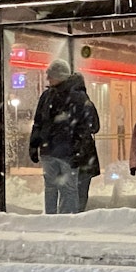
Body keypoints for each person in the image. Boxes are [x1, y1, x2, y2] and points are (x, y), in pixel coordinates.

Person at [29, 58, 85, 215]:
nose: (48, 79)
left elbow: (39, 123)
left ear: (60, 76)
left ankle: (54, 219)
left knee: (54, 188)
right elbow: (81, 127)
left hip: (56, 151)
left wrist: (35, 144)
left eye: (51, 75)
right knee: (66, 189)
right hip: (63, 151)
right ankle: (64, 219)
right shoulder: (75, 97)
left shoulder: (49, 97)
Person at [67, 72, 100, 212]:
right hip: (86, 151)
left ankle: (67, 213)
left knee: (68, 188)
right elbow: (95, 127)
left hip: (67, 150)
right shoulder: (87, 102)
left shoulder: (64, 102)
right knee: (82, 188)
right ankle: (79, 213)